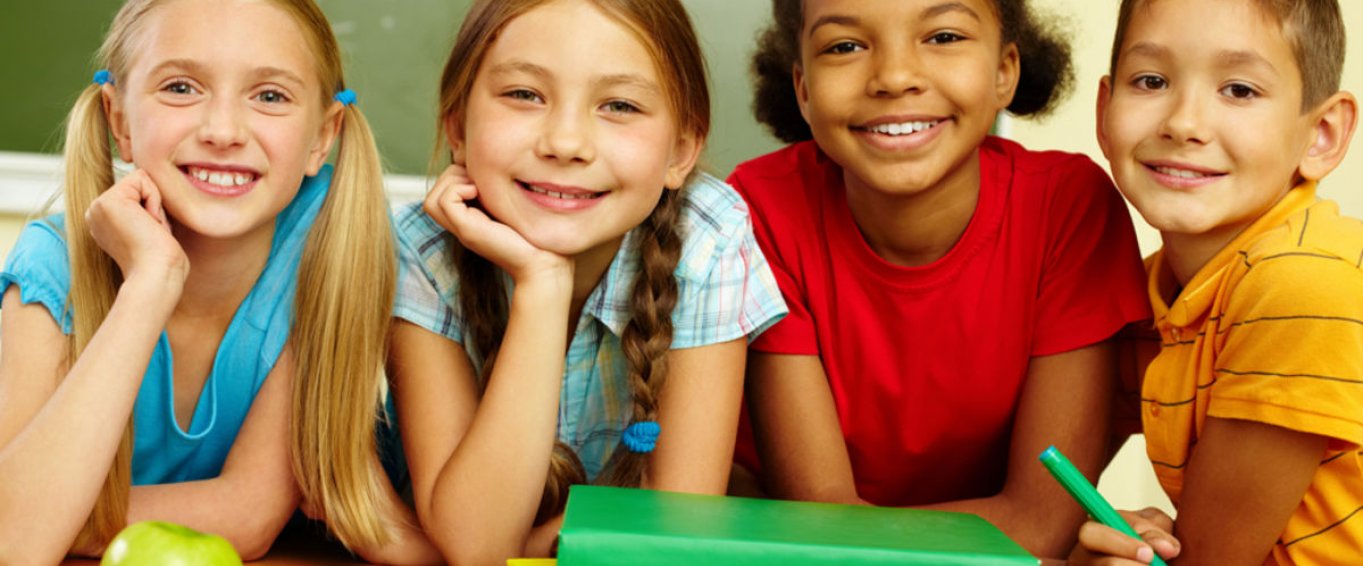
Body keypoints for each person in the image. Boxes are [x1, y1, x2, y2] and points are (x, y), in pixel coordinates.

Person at [0, 1, 437, 563]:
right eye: (181, 88)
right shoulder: (53, 266)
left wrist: (56, 512)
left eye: (270, 96)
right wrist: (149, 285)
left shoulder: (328, 252)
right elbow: (11, 539)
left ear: (321, 138)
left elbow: (246, 515)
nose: (223, 131)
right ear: (120, 121)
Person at [727, 0, 1150, 558]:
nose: (895, 77)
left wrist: (1030, 532)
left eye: (944, 36)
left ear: (1004, 70)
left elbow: (1041, 518)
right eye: (845, 46)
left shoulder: (1068, 209)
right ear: (803, 89)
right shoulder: (757, 212)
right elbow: (821, 520)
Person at [386, 0, 788, 563]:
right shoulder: (423, 250)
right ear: (457, 127)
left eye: (619, 105)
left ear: (681, 152)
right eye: (524, 94)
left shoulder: (707, 239)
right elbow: (476, 545)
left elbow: (671, 530)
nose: (566, 142)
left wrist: (536, 543)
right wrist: (543, 286)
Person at [1074, 0, 1360, 564]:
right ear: (1105, 112)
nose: (1183, 123)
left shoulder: (1303, 283)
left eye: (1240, 91)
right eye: (1152, 80)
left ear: (1321, 134)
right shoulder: (1160, 288)